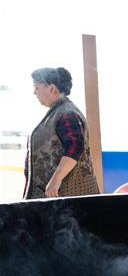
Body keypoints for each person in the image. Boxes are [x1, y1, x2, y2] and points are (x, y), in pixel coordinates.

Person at [24, 67, 100, 199]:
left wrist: (55, 180)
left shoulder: (67, 113)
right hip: (56, 196)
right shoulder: (59, 112)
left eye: (37, 88)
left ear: (52, 89)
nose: (34, 93)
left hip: (66, 196)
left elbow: (75, 148)